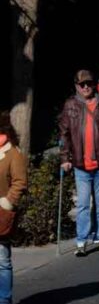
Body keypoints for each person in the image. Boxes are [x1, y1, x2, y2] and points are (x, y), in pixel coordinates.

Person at [59, 69, 99, 256]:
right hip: (80, 164)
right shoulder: (70, 105)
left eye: (88, 83)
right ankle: (82, 240)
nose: (85, 87)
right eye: (81, 84)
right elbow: (64, 134)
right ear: (76, 86)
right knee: (83, 204)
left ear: (94, 84)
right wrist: (64, 158)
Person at [0, 112, 27, 304]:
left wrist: (6, 203)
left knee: (2, 261)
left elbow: (20, 183)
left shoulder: (13, 154)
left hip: (0, 214)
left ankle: (4, 300)